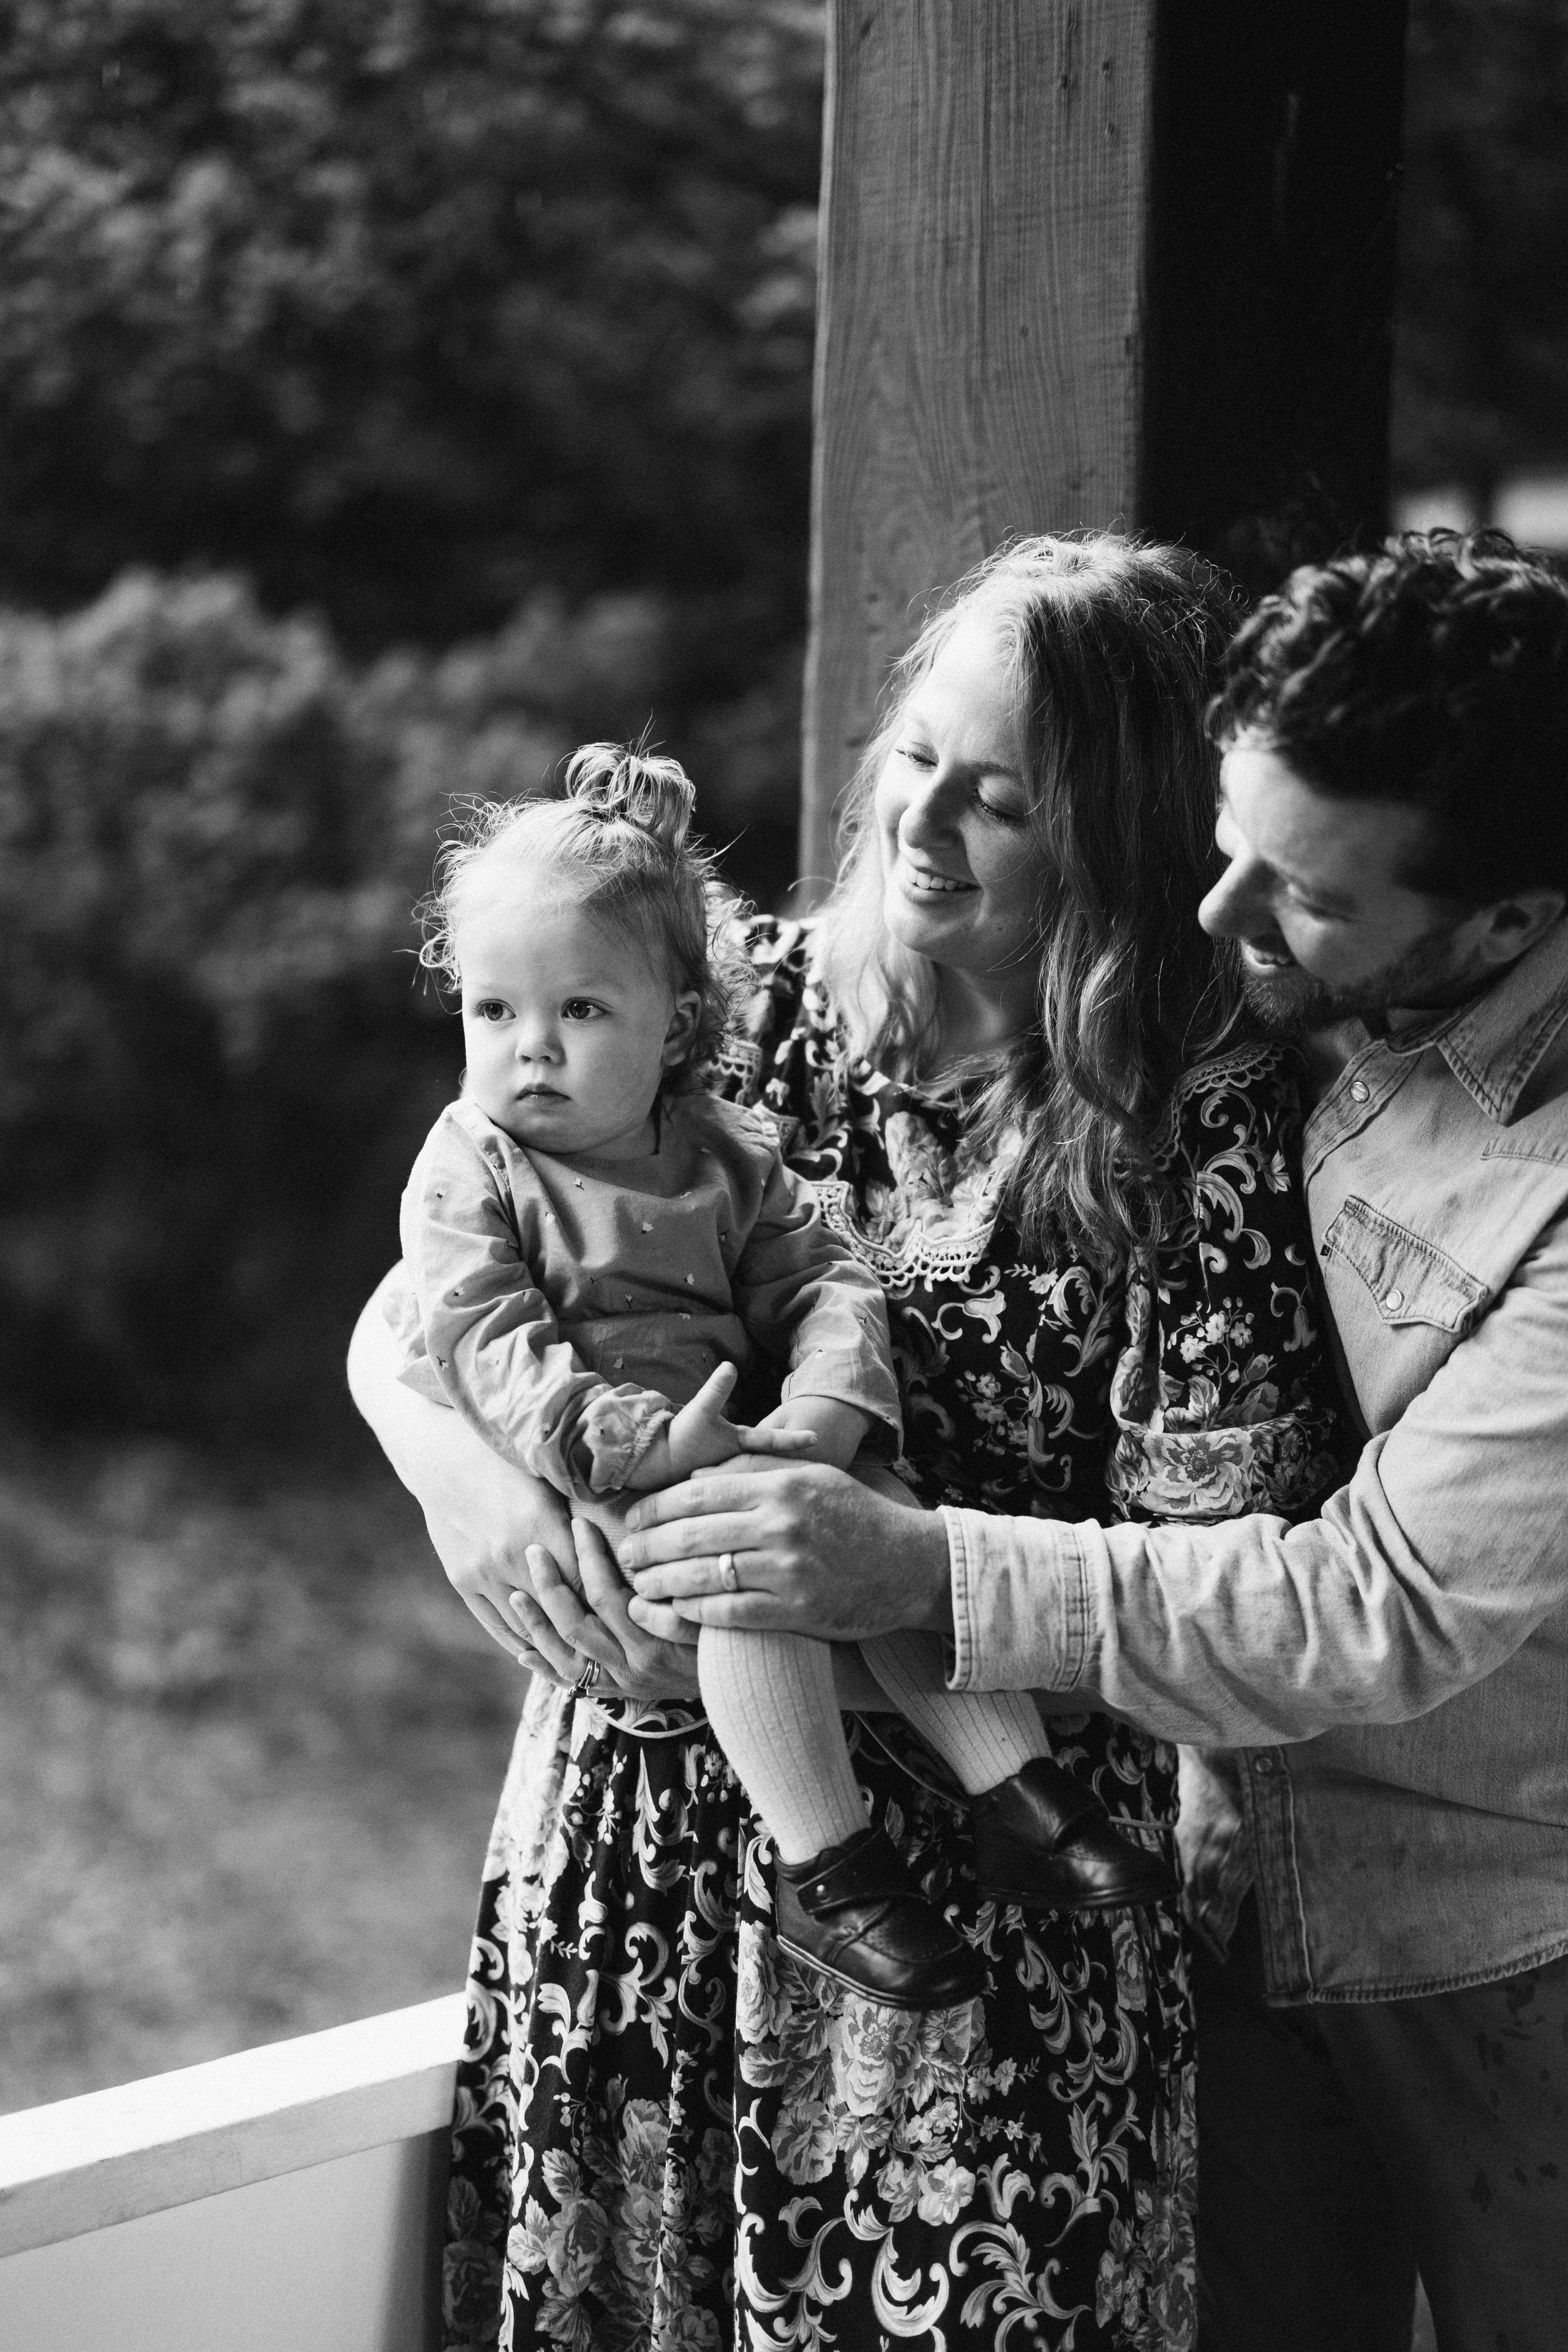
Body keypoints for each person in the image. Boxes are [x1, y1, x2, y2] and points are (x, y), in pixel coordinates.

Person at [349, 532, 1344, 2351]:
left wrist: (893, 1576)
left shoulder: (1195, 1129)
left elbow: (1239, 1606)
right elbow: (432, 1284)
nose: (923, 827)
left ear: (1120, 838)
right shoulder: (739, 1011)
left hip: (991, 1930)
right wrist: (469, 1488)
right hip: (634, 1866)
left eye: (1004, 804)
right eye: (916, 761)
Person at [621, 532, 1568, 2352]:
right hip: (1199, 1890)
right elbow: (504, 1217)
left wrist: (905, 1565)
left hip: (1481, 1921)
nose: (1217, 917)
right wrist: (434, 1432)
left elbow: (1374, 1614)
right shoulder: (1270, 986)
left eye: (1295, 891)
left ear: (1508, 923)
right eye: (1222, 840)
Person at [391, 741, 1172, 2015]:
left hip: (753, 1441)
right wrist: (623, 1439)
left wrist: (821, 1413)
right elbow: (479, 1337)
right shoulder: (471, 1165)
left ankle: (1017, 1795)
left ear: (676, 1025)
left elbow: (826, 1282)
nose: (529, 1049)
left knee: (886, 1518)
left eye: (579, 1013)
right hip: (608, 1474)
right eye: (494, 1012)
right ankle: (832, 1865)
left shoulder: (726, 1148)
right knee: (757, 1579)